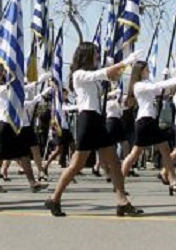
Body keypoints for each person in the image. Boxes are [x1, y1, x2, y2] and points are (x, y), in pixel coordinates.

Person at [44, 44, 146, 217]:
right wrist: (127, 61)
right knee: (77, 164)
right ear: (86, 56)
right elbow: (102, 73)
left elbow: (109, 76)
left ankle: (123, 202)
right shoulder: (79, 75)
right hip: (87, 120)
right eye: (95, 54)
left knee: (113, 161)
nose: (98, 56)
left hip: (98, 120)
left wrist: (119, 72)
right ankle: (54, 198)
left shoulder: (93, 77)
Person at [120, 63, 176, 195]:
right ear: (140, 71)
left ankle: (173, 182)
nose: (149, 71)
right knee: (135, 153)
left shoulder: (147, 83)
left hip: (152, 121)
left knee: (166, 149)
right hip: (143, 121)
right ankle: (119, 182)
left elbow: (161, 90)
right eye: (146, 69)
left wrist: (166, 77)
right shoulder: (138, 85)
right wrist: (174, 79)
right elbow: (156, 87)